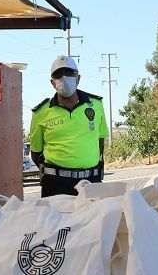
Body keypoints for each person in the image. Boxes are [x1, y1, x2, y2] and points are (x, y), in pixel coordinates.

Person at [28, 54, 107, 197]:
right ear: (52, 82)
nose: (64, 78)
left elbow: (100, 142)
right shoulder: (40, 113)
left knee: (93, 220)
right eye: (58, 75)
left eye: (69, 73)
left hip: (91, 182)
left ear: (78, 78)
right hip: (55, 185)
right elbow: (36, 153)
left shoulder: (96, 105)